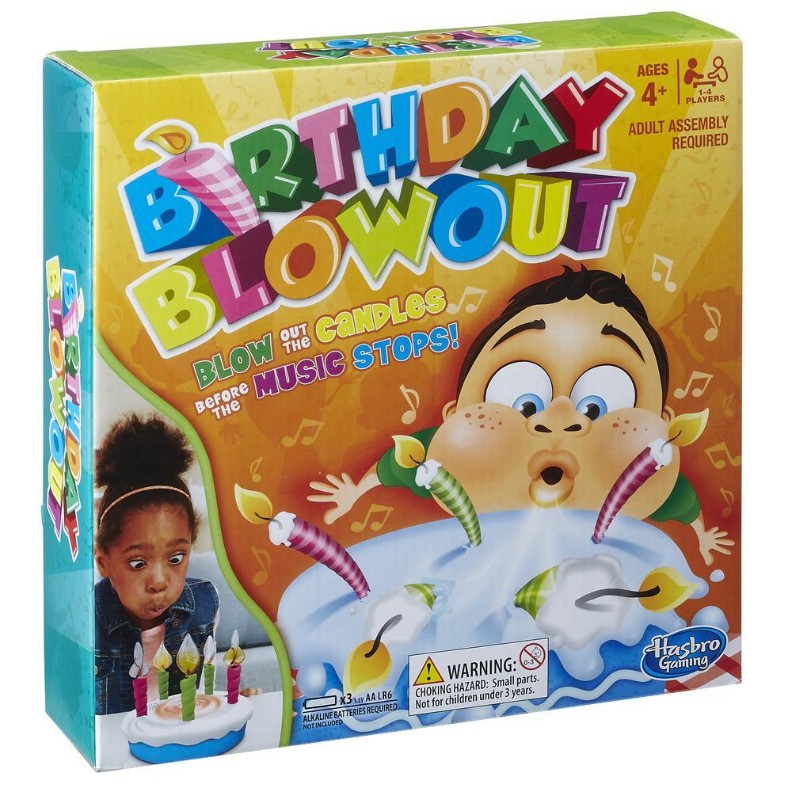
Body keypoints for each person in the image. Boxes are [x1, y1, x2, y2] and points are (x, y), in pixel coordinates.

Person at [309, 266, 732, 565]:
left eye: (597, 406)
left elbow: (682, 502)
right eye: (524, 403)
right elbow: (396, 464)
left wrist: (702, 537)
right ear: (455, 415)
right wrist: (354, 493)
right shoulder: (435, 464)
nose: (560, 419)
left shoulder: (652, 474)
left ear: (665, 423)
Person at [94, 414, 218, 715]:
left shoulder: (205, 603)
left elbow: (202, 693)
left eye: (176, 558)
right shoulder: (86, 622)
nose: (160, 582)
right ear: (103, 562)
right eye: (138, 563)